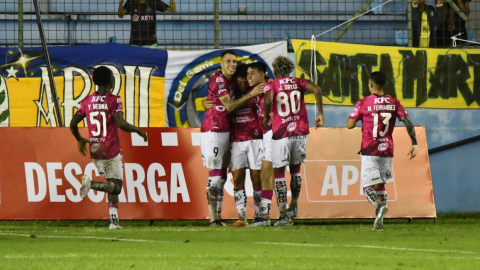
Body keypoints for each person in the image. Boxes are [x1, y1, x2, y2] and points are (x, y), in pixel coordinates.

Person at [70, 66, 148, 229]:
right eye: (112, 77)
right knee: (116, 187)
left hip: (95, 149)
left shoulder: (87, 101)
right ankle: (91, 184)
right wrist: (138, 130)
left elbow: (73, 124)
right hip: (111, 149)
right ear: (110, 81)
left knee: (111, 184)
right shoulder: (114, 99)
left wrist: (80, 139)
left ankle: (114, 221)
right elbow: (121, 123)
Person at [346, 71, 418, 231]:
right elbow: (407, 121)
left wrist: (354, 117)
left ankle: (379, 206)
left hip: (369, 148)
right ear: (384, 85)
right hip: (387, 149)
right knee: (380, 184)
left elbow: (350, 124)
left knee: (367, 186)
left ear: (370, 84)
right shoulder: (394, 102)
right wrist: (415, 143)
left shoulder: (364, 102)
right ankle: (379, 220)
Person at [201, 50, 263, 226]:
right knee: (216, 175)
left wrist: (205, 101)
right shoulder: (219, 79)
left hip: (228, 132)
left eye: (234, 61)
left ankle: (218, 218)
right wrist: (250, 95)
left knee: (221, 175)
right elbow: (228, 106)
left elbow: (213, 99)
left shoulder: (233, 82)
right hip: (213, 131)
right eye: (228, 61)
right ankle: (214, 219)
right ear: (221, 63)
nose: (232, 64)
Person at [263, 56, 324, 226]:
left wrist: (266, 116)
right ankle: (294, 206)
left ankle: (282, 214)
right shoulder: (299, 82)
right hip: (300, 131)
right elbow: (317, 89)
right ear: (289, 70)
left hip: (281, 132)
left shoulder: (273, 85)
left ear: (275, 70)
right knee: (296, 169)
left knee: (279, 171)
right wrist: (320, 114)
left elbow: (268, 99)